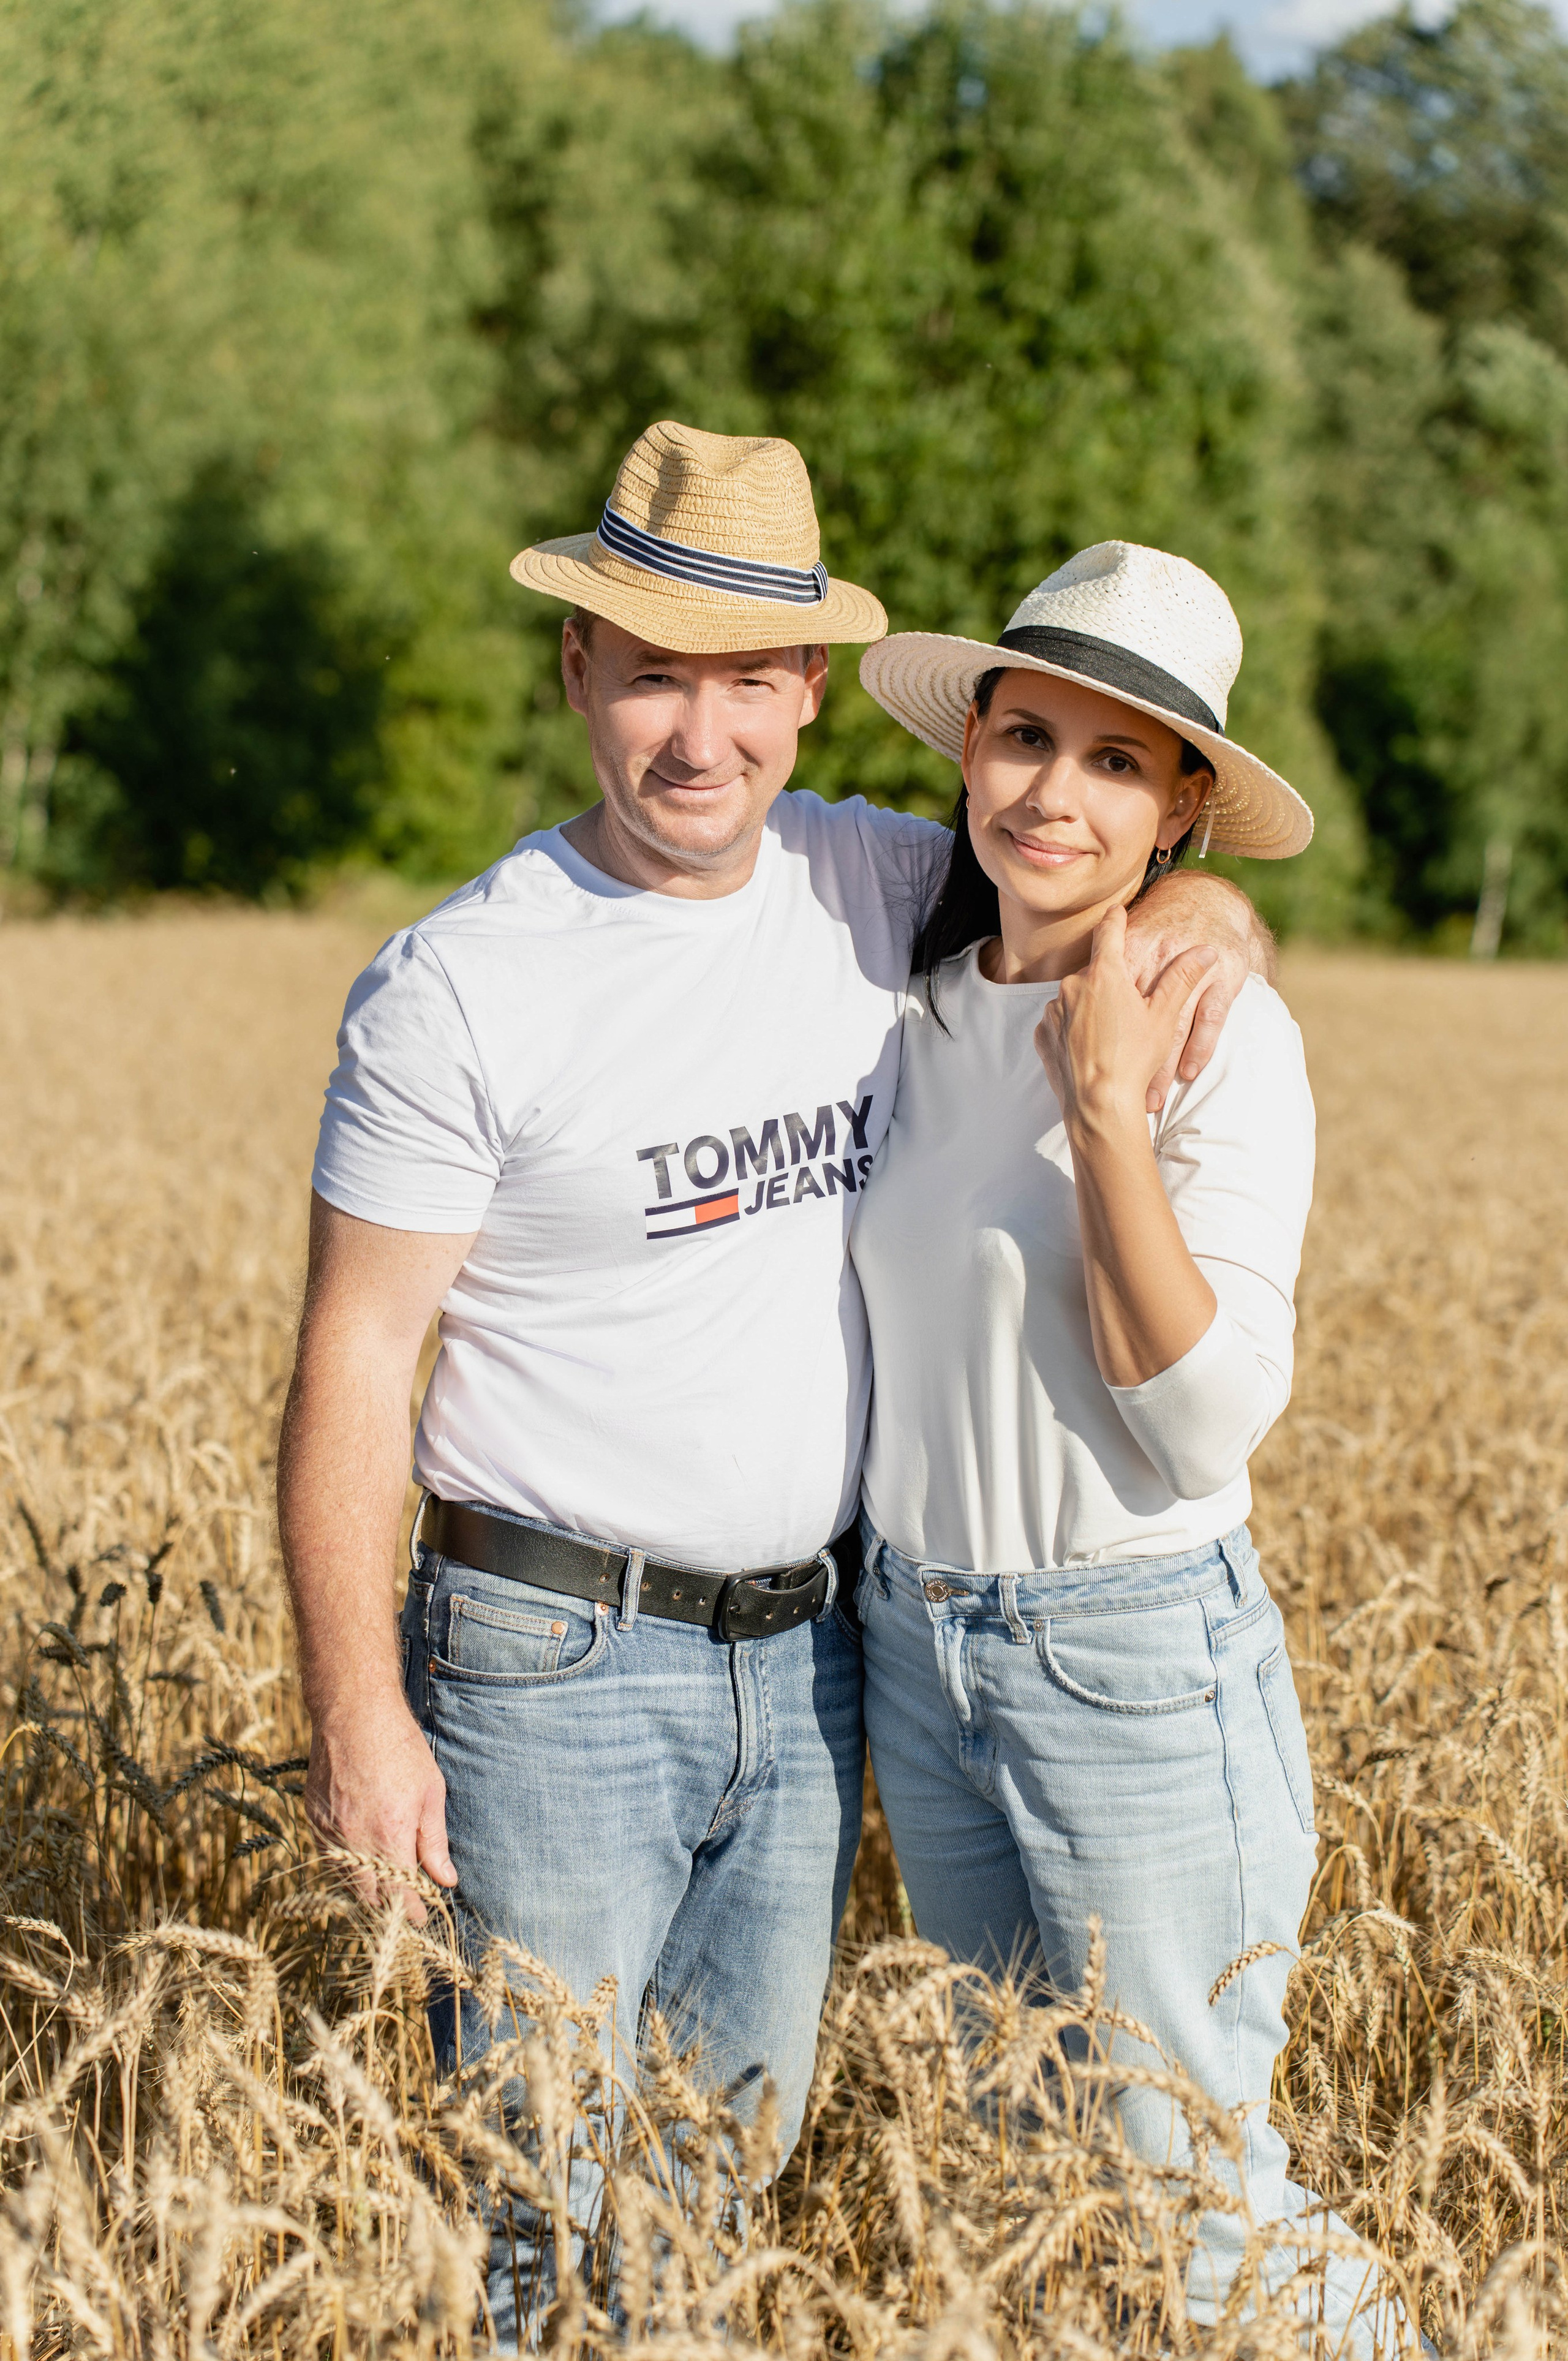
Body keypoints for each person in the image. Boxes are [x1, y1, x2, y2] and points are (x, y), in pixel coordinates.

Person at [276, 427, 1275, 2344]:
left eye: (748, 680)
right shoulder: (463, 986)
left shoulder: (874, 882)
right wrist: (357, 1716)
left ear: (812, 696)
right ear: (576, 670)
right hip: (544, 1673)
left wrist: (1214, 918)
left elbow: (1095, 874)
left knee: (714, 2206)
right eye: (652, 670)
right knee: (532, 2214)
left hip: (819, 1672)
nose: (699, 734)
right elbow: (354, 1356)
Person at [849, 540, 1398, 2349]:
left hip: (1132, 1657)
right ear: (968, 755)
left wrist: (1103, 1112)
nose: (1051, 791)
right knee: (1020, 2164)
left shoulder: (1220, 1041)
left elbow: (1202, 1420)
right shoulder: (909, 1015)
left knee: (1194, 2193)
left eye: (1113, 761)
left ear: (1182, 814)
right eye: (1025, 737)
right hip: (925, 1652)